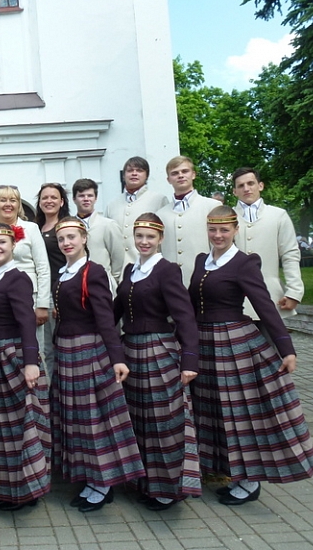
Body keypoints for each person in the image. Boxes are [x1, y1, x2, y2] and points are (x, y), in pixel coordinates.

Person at [188, 206, 313, 506]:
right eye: (213, 229)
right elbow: (191, 303)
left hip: (233, 345)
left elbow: (265, 306)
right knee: (216, 414)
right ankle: (232, 473)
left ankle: (250, 481)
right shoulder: (202, 261)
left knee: (241, 415)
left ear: (236, 230)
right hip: (205, 345)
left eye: (224, 230)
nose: (218, 235)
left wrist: (286, 348)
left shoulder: (244, 262)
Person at [51, 217, 145, 512]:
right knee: (76, 421)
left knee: (94, 421)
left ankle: (103, 484)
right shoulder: (63, 272)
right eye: (62, 238)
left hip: (89, 351)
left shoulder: (94, 272)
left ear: (84, 239)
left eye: (72, 237)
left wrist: (116, 357)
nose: (67, 243)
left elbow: (105, 318)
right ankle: (91, 477)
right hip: (66, 352)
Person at [113, 214, 202, 510]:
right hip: (132, 350)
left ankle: (168, 489)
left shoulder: (167, 270)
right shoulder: (130, 270)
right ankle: (147, 483)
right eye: (139, 236)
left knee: (164, 421)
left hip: (158, 350)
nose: (144, 242)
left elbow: (184, 315)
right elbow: (115, 310)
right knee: (140, 421)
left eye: (150, 237)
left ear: (160, 238)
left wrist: (189, 358)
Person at [0, 223, 51, 511]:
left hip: (13, 357)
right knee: (1, 427)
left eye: (1, 243)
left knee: (20, 425)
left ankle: (27, 489)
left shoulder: (18, 278)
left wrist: (31, 363)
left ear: (13, 245)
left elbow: (26, 322)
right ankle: (7, 486)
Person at [0, 185, 50, 357]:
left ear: (19, 205)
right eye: (3, 200)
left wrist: (43, 304)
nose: (8, 204)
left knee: (33, 347)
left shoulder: (31, 229)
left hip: (28, 298)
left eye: (13, 200)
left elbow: (43, 267)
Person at [231, 167, 303, 318]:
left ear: (260, 186)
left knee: (274, 341)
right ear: (234, 191)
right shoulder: (227, 217)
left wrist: (294, 292)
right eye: (240, 185)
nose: (246, 188)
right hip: (232, 297)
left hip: (270, 294)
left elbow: (290, 254)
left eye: (251, 183)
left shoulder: (278, 215)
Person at [156, 156, 221, 286]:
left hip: (206, 282)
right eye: (175, 173)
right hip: (170, 284)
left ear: (193, 175)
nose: (180, 175)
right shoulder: (160, 214)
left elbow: (222, 246)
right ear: (168, 180)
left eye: (184, 171)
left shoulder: (212, 206)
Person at [34, 182, 70, 382]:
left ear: (62, 201)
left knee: (59, 348)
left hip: (60, 294)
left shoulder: (66, 227)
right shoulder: (35, 228)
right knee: (44, 349)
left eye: (53, 197)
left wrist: (60, 299)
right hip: (41, 295)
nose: (49, 201)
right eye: (44, 197)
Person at [104, 156, 169, 265]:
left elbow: (165, 237)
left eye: (139, 170)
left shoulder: (159, 200)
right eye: (130, 171)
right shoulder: (112, 205)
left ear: (146, 175)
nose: (134, 173)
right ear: (124, 176)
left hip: (149, 266)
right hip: (120, 270)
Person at [71, 178, 125, 289]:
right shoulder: (69, 226)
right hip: (75, 285)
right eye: (81, 196)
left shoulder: (108, 225)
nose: (86, 199)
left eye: (90, 196)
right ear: (74, 199)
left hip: (102, 285)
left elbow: (118, 258)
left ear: (96, 198)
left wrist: (111, 281)